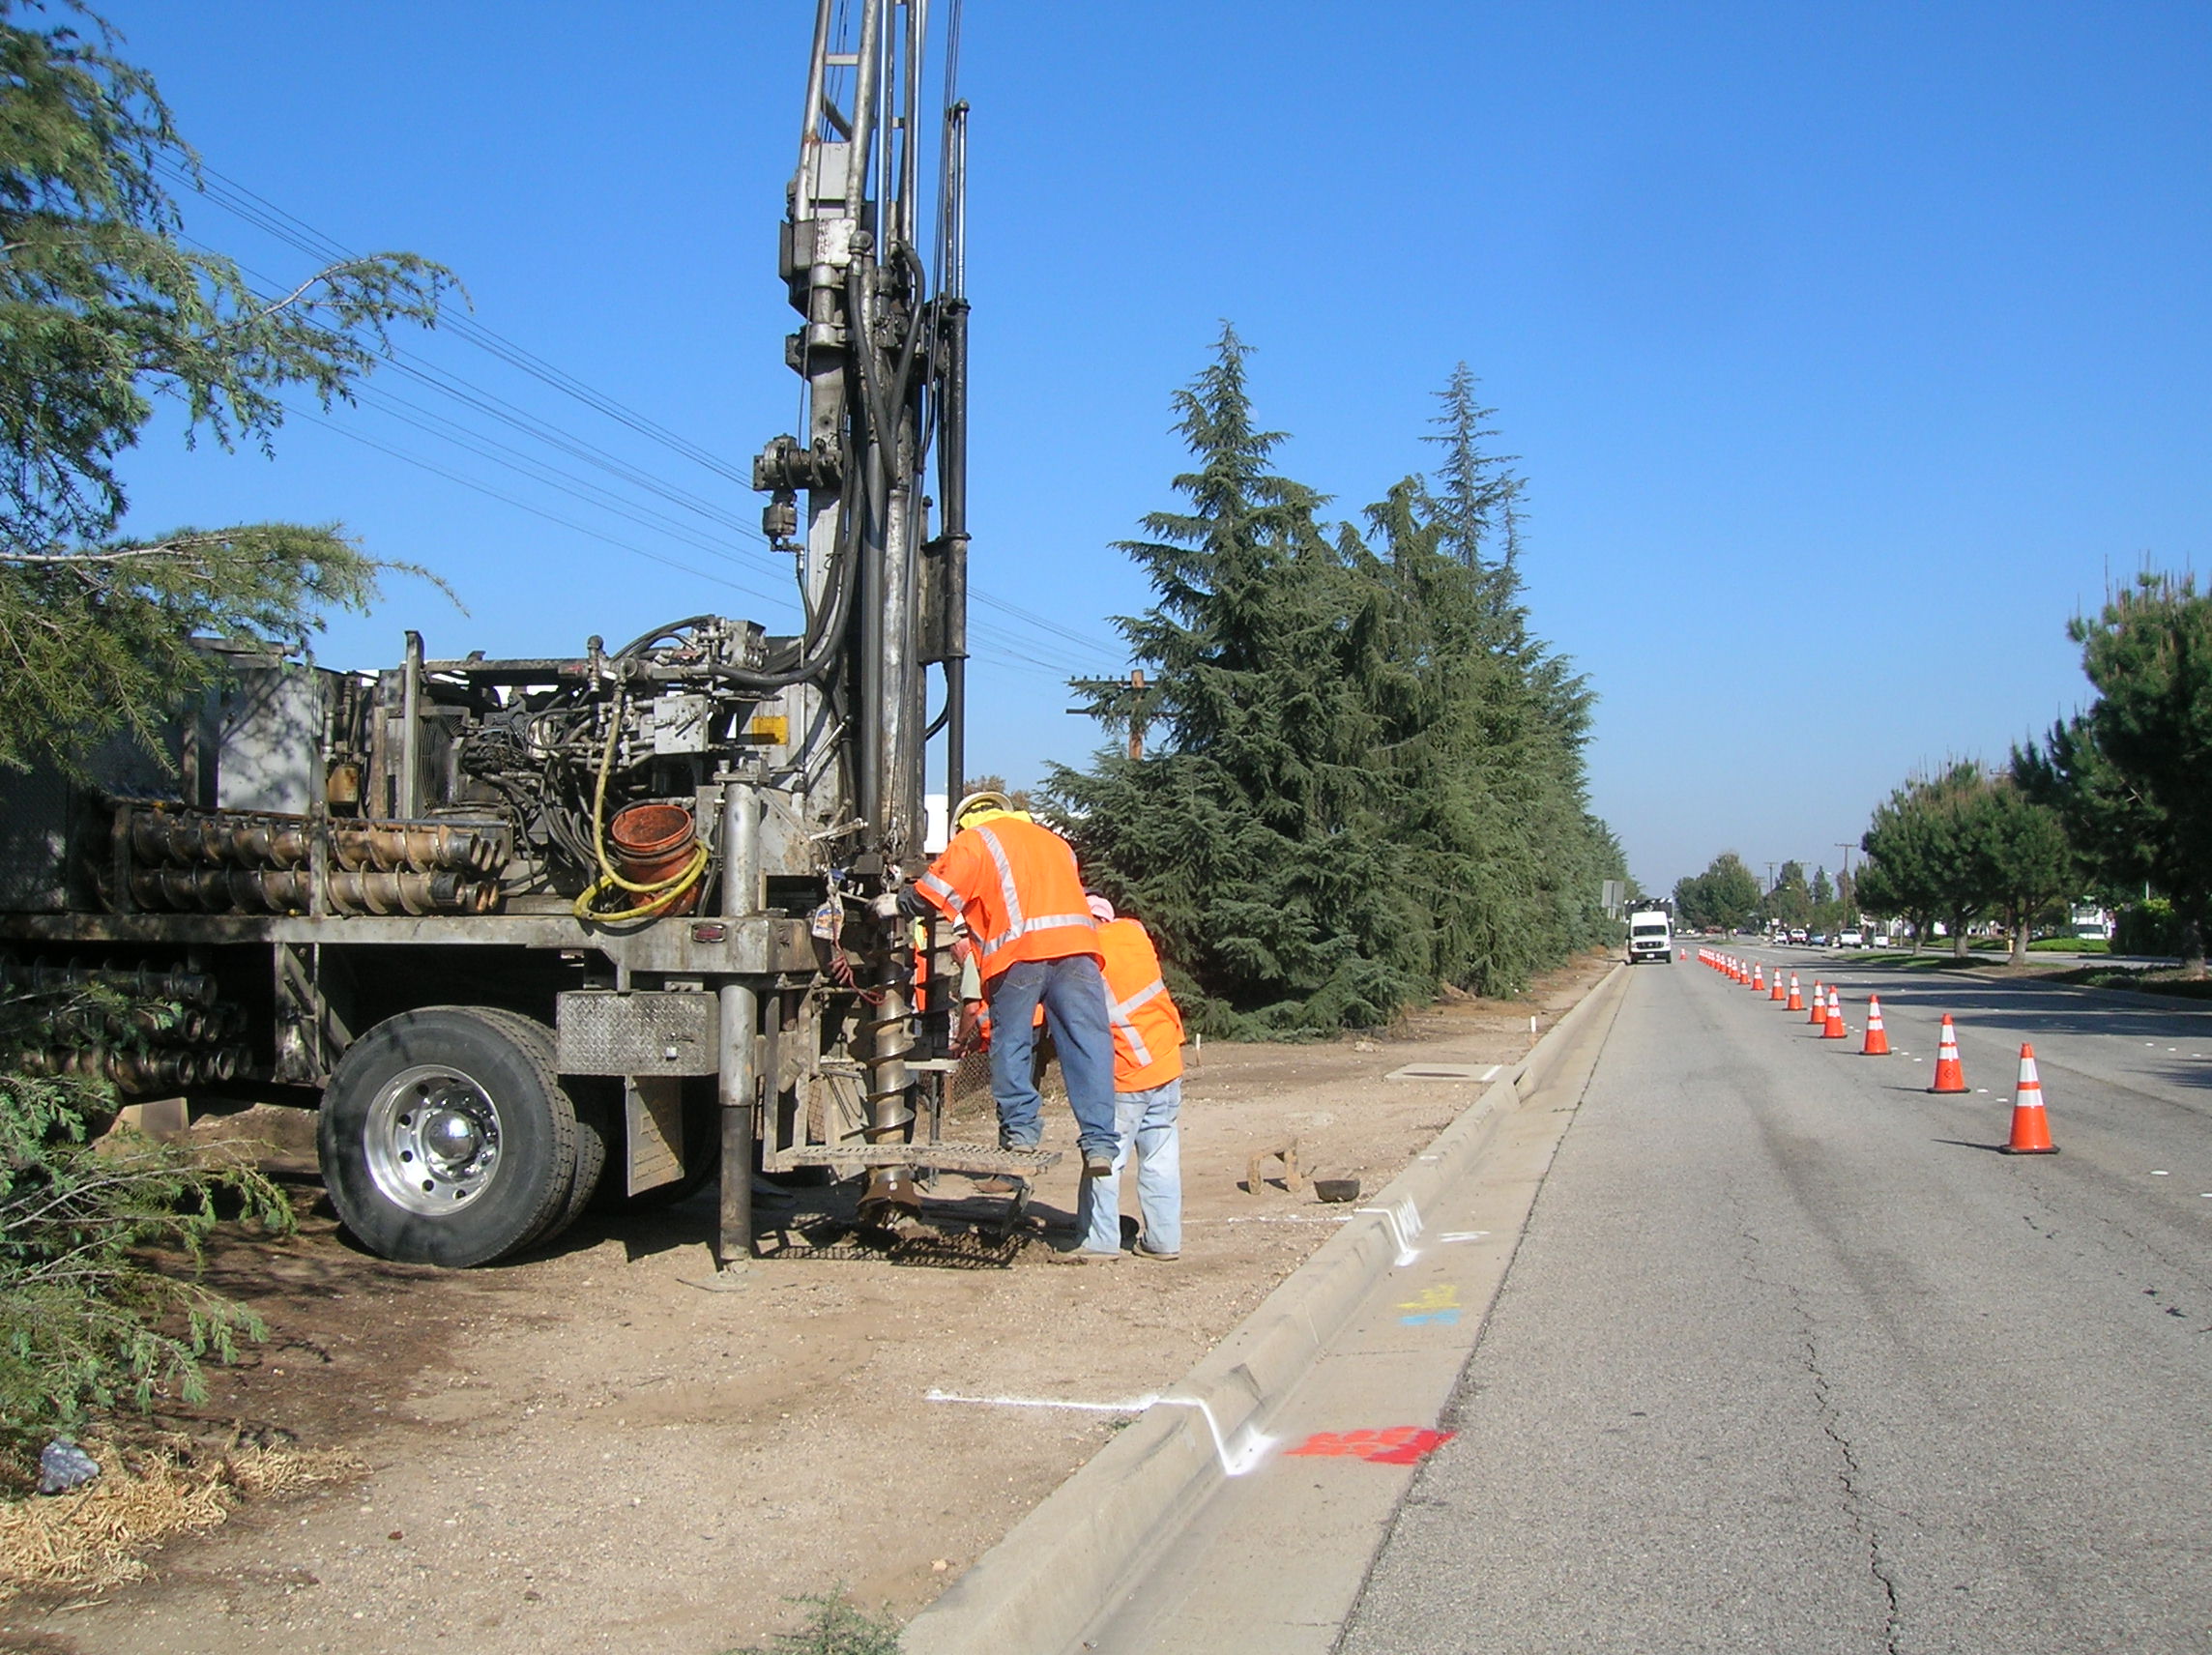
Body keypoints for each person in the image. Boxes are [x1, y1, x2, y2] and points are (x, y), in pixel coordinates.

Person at [896, 792, 1120, 1176]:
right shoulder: (1055, 843)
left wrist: (895, 902)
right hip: (1078, 950)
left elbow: (930, 895)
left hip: (1019, 956)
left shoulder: (976, 840)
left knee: (1012, 1042)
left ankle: (1020, 1131)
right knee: (1088, 1044)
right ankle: (1099, 1142)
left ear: (966, 822)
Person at [1070, 895, 1185, 1263]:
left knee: (1105, 1157)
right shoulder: (1134, 934)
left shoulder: (1087, 957)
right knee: (1160, 1157)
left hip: (1127, 1071)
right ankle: (1164, 1240)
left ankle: (1100, 1240)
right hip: (1167, 1061)